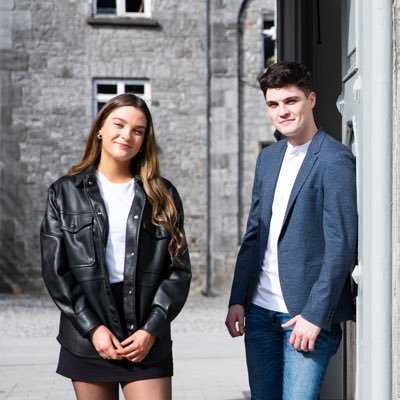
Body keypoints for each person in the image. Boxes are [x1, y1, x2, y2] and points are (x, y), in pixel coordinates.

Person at [40, 93, 191, 400]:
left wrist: (152, 329)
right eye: (119, 124)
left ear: (145, 139)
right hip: (87, 331)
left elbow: (178, 271)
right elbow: (56, 271)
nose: (127, 135)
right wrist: (92, 327)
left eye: (138, 130)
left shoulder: (162, 194)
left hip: (147, 332)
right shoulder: (64, 192)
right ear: (100, 128)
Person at [225, 61, 357, 400]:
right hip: (259, 313)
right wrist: (238, 298)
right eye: (273, 104)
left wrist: (315, 315)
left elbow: (341, 245)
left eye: (291, 101)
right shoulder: (267, 159)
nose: (282, 111)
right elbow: (253, 233)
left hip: (304, 316)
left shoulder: (334, 160)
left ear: (310, 100)